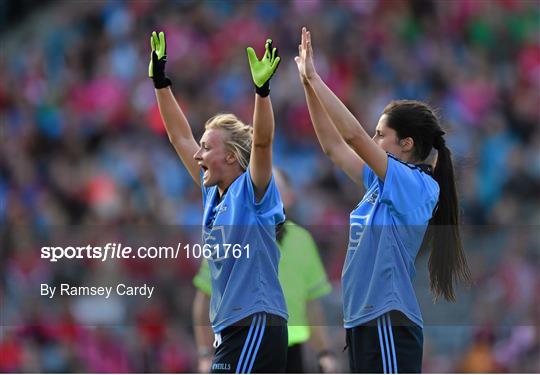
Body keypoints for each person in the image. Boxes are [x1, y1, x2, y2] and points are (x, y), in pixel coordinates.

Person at [294, 27, 471, 373]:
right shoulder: (381, 184)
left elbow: (352, 135)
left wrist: (316, 79)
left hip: (388, 321)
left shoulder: (417, 185)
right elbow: (334, 146)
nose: (374, 139)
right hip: (362, 321)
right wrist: (306, 86)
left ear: (406, 143)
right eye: (375, 133)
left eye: (381, 134)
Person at [149, 31, 288, 373]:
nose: (198, 154)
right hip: (231, 329)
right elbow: (178, 136)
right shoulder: (212, 193)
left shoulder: (252, 190)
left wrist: (262, 92)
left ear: (230, 157)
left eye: (207, 148)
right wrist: (160, 82)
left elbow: (262, 143)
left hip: (255, 321)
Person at [193, 169, 338, 373]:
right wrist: (205, 353)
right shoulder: (230, 234)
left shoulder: (302, 239)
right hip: (242, 341)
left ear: (290, 197)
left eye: (276, 191)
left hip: (290, 348)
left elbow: (311, 303)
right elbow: (204, 300)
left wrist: (324, 352)